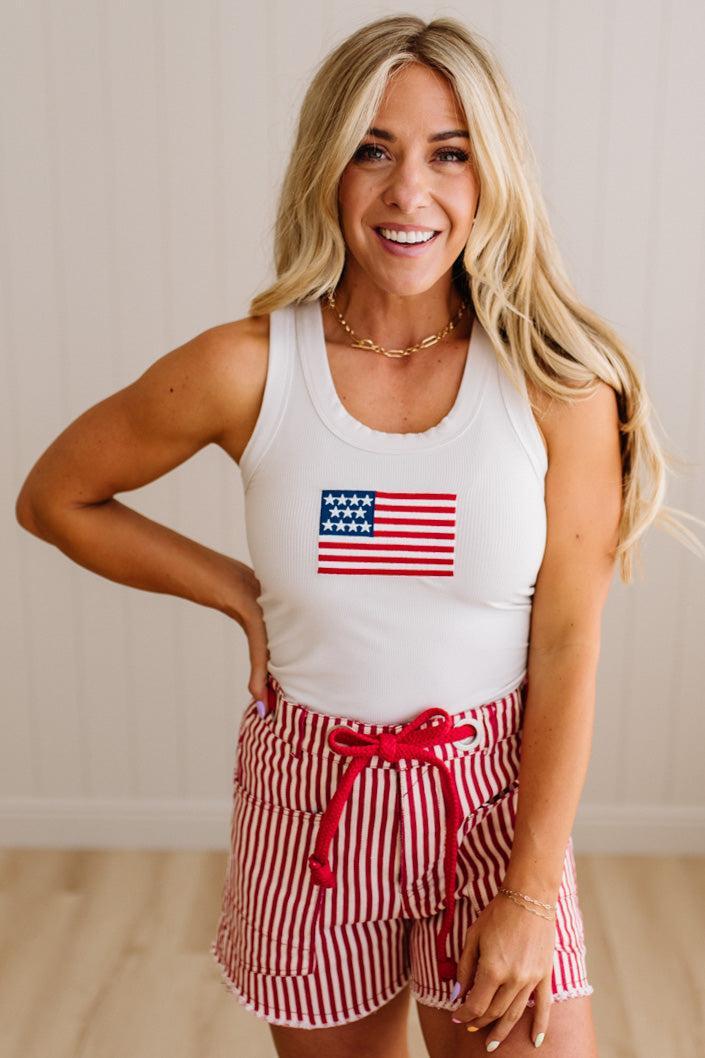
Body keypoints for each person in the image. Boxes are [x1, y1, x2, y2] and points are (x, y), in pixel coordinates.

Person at [15, 14, 705, 1058]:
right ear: (327, 168)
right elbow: (55, 495)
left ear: (491, 174)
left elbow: (568, 648)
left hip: (490, 802)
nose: (408, 192)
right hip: (312, 806)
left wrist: (526, 892)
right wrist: (237, 589)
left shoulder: (558, 386)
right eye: (372, 149)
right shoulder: (247, 366)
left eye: (449, 153)